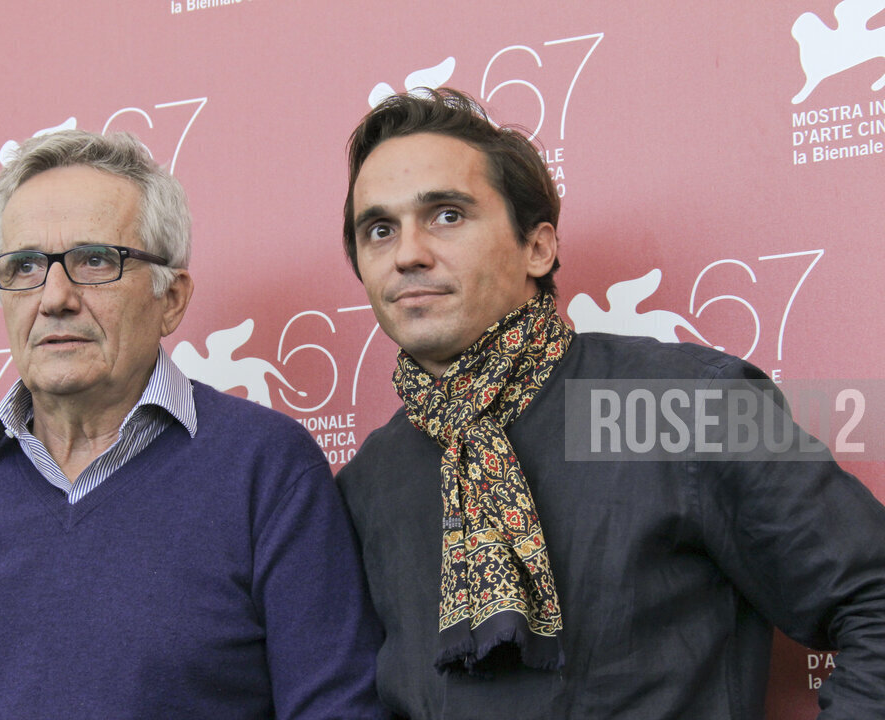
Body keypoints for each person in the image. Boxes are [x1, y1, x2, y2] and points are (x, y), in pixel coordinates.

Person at [336, 88, 885, 719]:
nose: (408, 253)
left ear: (537, 247)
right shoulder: (366, 483)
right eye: (380, 230)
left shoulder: (678, 406)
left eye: (448, 215)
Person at [0, 129, 385, 719]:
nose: (55, 296)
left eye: (95, 261)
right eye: (25, 266)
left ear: (171, 298)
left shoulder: (266, 469)